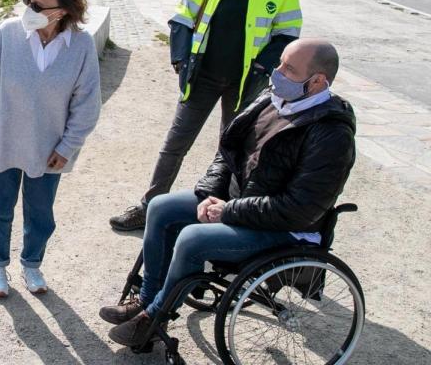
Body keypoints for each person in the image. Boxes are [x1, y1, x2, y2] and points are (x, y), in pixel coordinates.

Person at [100, 38, 356, 347]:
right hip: (238, 203)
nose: (277, 73)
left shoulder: (331, 135)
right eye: (279, 64)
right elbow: (229, 151)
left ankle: (154, 317)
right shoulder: (271, 98)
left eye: (288, 68)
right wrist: (211, 193)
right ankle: (147, 298)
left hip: (285, 229)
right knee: (160, 207)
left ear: (317, 82)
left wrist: (229, 211)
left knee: (192, 239)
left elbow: (298, 208)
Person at [109, 0, 303, 231]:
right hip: (203, 76)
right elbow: (183, 15)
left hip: (246, 82)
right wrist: (180, 55)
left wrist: (261, 65)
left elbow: (287, 33)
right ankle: (149, 206)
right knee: (175, 143)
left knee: (233, 150)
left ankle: (223, 212)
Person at [0, 0, 102, 298]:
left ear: (64, 10)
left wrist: (69, 145)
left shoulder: (81, 46)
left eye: (38, 6)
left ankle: (31, 264)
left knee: (41, 213)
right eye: (27, 0)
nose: (29, 9)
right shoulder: (7, 34)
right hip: (2, 143)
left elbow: (87, 104)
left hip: (49, 149)